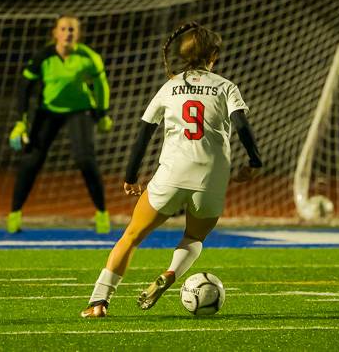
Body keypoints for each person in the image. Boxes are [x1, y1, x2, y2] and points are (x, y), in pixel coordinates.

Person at [80, 21, 263, 318]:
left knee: (132, 236)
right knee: (194, 238)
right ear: (213, 56)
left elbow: (144, 133)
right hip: (212, 177)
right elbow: (242, 124)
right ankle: (169, 273)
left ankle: (98, 301)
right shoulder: (226, 86)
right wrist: (254, 162)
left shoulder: (169, 87)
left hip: (171, 173)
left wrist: (130, 176)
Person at [7, 14, 113, 234]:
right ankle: (14, 214)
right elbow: (24, 87)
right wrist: (21, 122)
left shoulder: (89, 57)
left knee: (85, 159)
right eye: (63, 29)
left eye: (72, 30)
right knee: (31, 160)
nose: (68, 33)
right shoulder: (42, 57)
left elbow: (101, 85)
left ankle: (102, 213)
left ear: (78, 34)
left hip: (80, 111)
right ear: (55, 33)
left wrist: (102, 114)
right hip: (49, 112)